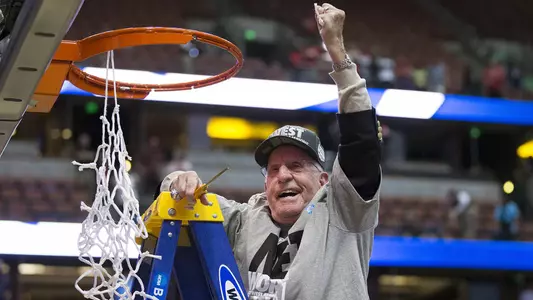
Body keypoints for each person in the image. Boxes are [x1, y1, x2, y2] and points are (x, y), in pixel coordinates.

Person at [155, 3, 382, 299]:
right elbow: (175, 193)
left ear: (325, 181)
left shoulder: (342, 213)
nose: (283, 175)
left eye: (297, 166)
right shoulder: (245, 220)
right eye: (273, 170)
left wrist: (337, 52)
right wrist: (178, 180)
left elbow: (361, 142)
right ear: (265, 184)